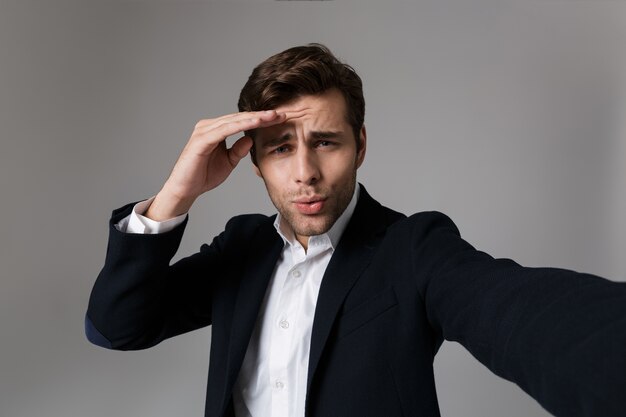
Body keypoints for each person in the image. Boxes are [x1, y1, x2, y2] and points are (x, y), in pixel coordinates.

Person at [86, 44, 626, 417]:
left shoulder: (414, 249)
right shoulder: (240, 249)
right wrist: (175, 198)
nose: (304, 173)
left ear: (359, 145)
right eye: (280, 149)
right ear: (254, 161)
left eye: (325, 142)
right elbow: (116, 327)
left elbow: (519, 311)